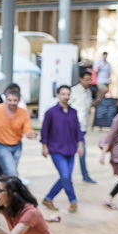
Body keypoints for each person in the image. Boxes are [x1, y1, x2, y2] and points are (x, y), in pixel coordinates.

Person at [40, 85, 83, 213]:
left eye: (68, 94)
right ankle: (73, 201)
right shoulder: (51, 112)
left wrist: (80, 145)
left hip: (71, 149)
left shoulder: (73, 112)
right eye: (63, 94)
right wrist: (44, 146)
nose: (66, 97)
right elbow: (44, 131)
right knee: (65, 175)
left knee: (66, 177)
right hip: (56, 149)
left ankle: (48, 198)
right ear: (58, 95)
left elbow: (77, 130)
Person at [0, 85, 36, 178]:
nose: (12, 103)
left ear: (19, 100)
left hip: (17, 146)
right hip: (1, 145)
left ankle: (2, 190)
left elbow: (27, 128)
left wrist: (30, 134)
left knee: (8, 173)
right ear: (6, 100)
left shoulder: (23, 113)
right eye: (10, 100)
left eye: (15, 100)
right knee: (13, 173)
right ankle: (14, 192)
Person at [71, 68, 97, 183]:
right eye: (86, 80)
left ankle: (83, 175)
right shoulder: (73, 91)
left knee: (81, 151)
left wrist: (101, 97)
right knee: (80, 151)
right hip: (73, 128)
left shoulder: (88, 92)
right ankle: (81, 175)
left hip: (83, 127)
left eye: (90, 80)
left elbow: (90, 106)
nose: (88, 82)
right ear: (80, 79)